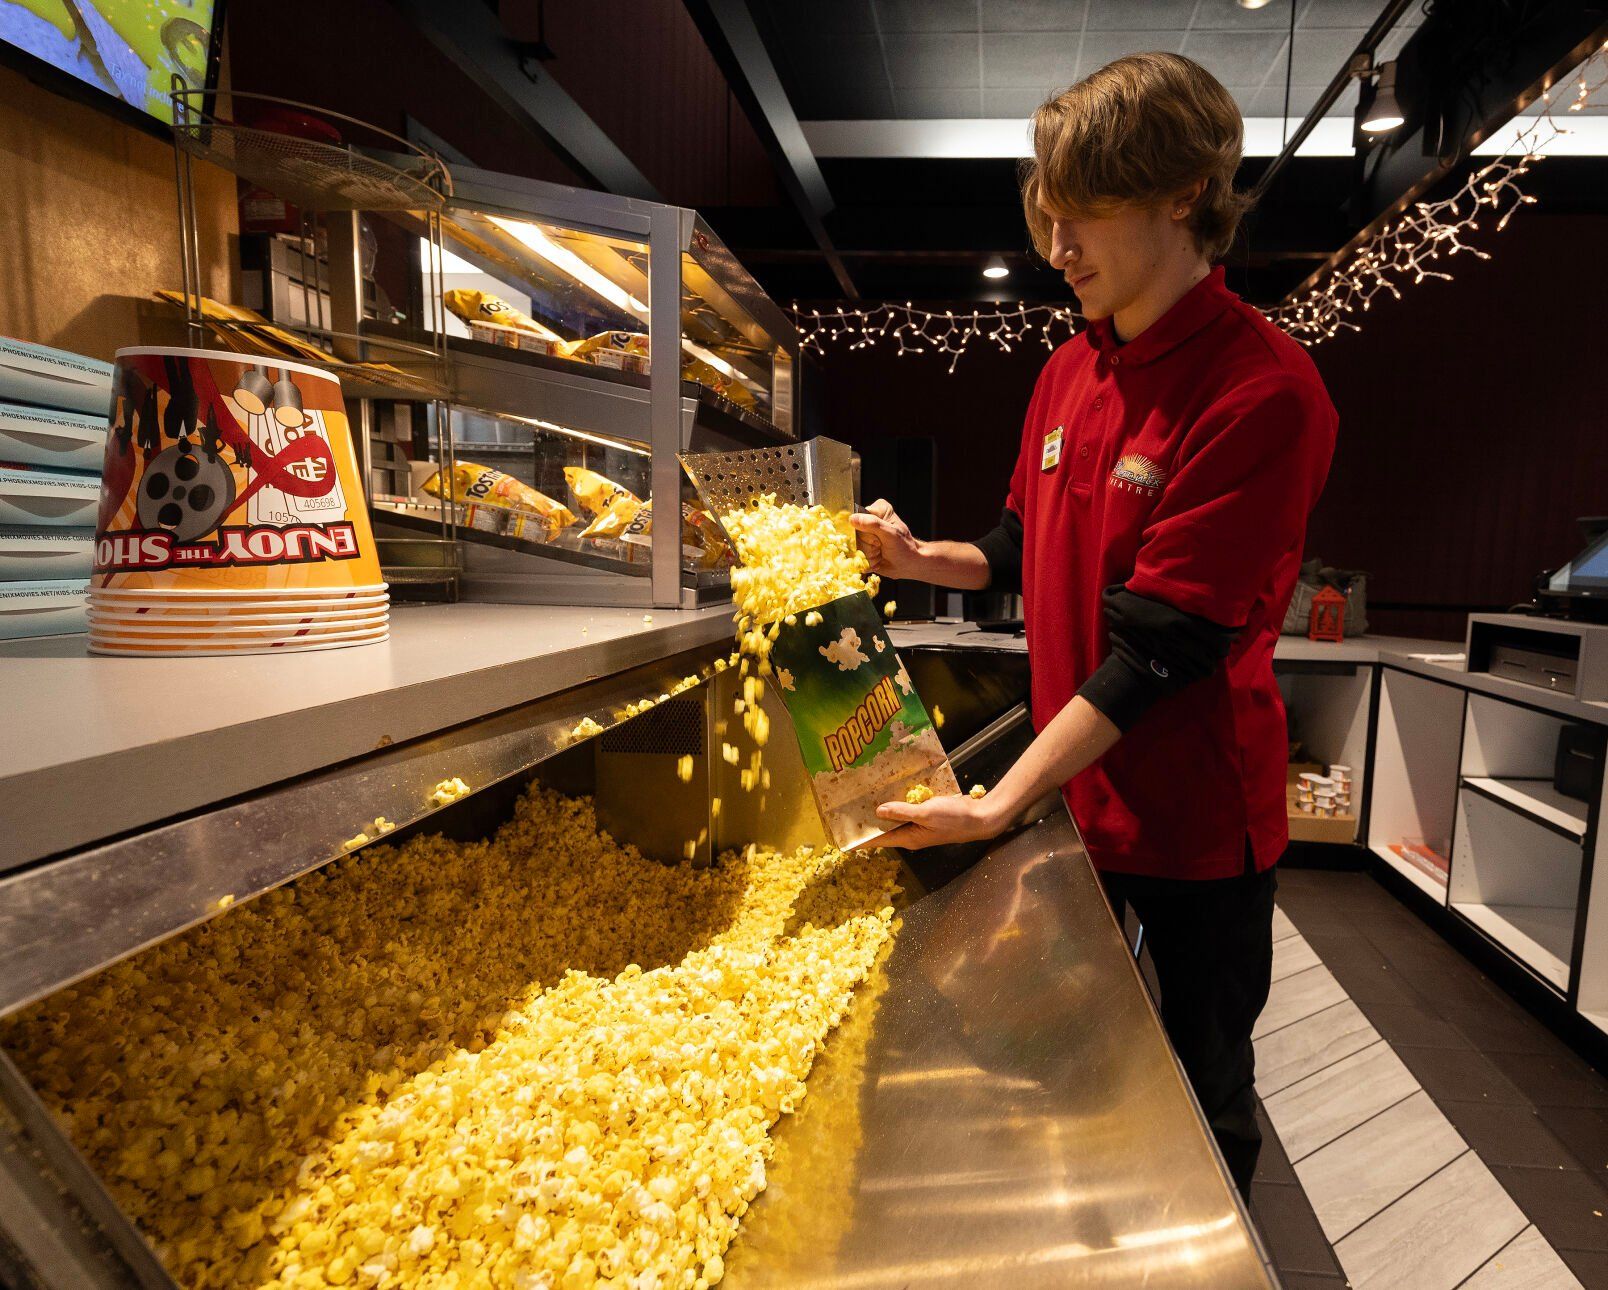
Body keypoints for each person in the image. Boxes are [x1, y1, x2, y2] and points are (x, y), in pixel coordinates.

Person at [854, 52, 1338, 1195]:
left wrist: (997, 802)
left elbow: (1162, 647)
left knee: (1204, 1077)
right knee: (1070, 1055)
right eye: (1048, 219)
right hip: (1080, 800)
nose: (1056, 251)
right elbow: (1020, 548)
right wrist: (926, 559)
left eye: (1085, 218)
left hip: (1195, 823)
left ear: (1183, 195)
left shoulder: (1262, 392)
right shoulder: (1071, 368)